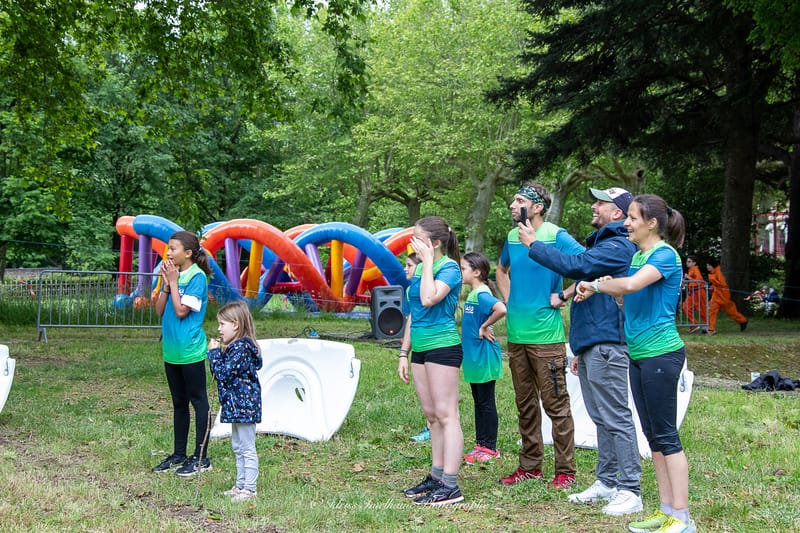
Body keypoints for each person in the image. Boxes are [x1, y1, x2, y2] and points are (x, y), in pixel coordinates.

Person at [574, 194, 695, 533]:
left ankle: (683, 518)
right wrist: (592, 288)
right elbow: (627, 296)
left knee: (667, 437)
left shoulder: (665, 255)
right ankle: (666, 509)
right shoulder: (639, 256)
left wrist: (598, 285)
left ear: (651, 223)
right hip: (639, 355)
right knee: (653, 437)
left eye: (632, 217)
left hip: (661, 355)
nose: (626, 223)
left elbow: (630, 285)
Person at [520, 186, 643, 515]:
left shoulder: (618, 245)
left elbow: (575, 265)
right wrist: (579, 349)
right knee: (601, 418)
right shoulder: (605, 244)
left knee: (616, 417)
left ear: (616, 213)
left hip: (608, 344)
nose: (593, 206)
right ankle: (606, 482)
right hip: (593, 344)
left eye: (600, 202)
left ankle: (630, 488)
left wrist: (535, 245)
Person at [496, 182, 584, 489]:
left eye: (519, 200)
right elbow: (501, 269)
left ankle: (565, 472)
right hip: (516, 336)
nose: (511, 204)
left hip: (547, 338)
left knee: (556, 405)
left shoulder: (555, 235)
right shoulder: (512, 237)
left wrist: (563, 295)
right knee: (525, 404)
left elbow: (588, 266)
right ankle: (530, 466)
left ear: (537, 208)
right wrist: (509, 302)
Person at [397, 216, 465, 506]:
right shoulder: (425, 267)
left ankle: (451, 485)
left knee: (447, 415)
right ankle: (436, 477)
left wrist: (426, 263)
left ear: (434, 242)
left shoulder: (448, 267)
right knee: (432, 416)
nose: (412, 242)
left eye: (417, 237)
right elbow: (414, 312)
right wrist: (404, 352)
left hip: (443, 347)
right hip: (421, 349)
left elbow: (428, 298)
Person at [153, 231, 213, 477]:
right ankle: (179, 454)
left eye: (173, 249)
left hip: (191, 351)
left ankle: (201, 457)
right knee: (179, 404)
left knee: (199, 402)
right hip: (172, 351)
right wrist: (166, 285)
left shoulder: (197, 278)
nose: (168, 253)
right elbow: (159, 311)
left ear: (188, 253)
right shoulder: (172, 276)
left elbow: (181, 312)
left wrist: (175, 282)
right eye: (168, 249)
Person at [208, 300, 263, 502]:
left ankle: (250, 489)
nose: (219, 329)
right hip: (236, 405)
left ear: (236, 325)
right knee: (238, 446)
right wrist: (218, 354)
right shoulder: (235, 349)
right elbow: (222, 372)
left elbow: (223, 373)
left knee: (247, 447)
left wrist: (213, 354)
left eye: (222, 324)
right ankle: (240, 485)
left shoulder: (241, 350)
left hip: (244, 406)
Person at [460, 252, 506, 464]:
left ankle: (490, 448)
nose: (461, 272)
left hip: (484, 357)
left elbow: (500, 308)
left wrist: (484, 326)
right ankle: (481, 445)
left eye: (463, 269)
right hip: (474, 358)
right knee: (479, 402)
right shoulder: (473, 293)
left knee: (486, 403)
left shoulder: (481, 293)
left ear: (476, 272)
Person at [403, 253, 430, 443]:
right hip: (419, 344)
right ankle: (431, 424)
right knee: (424, 390)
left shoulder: (430, 287)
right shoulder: (410, 290)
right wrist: (404, 352)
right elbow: (411, 318)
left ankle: (433, 427)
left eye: (409, 265)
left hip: (435, 345)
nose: (405, 269)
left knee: (433, 390)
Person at [706, 257, 748, 335]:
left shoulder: (718, 273)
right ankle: (711, 329)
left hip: (723, 296)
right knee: (712, 310)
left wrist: (713, 281)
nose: (707, 267)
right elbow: (717, 284)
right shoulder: (714, 273)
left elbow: (722, 284)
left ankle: (743, 321)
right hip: (716, 296)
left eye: (708, 265)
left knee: (731, 312)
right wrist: (713, 285)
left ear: (712, 265)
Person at [682, 255, 708, 333]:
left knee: (702, 310)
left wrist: (688, 278)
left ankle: (708, 326)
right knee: (685, 307)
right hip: (693, 292)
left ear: (694, 263)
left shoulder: (695, 269)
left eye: (689, 261)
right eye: (687, 261)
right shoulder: (691, 270)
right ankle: (695, 323)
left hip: (698, 292)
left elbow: (698, 281)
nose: (687, 263)